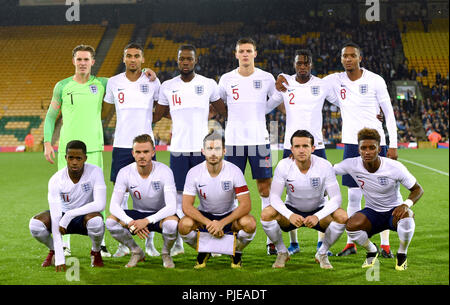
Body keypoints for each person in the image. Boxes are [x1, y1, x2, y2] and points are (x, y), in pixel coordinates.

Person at [276, 42, 398, 258]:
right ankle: (351, 243)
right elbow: (303, 82)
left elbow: (388, 111)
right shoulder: (333, 80)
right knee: (352, 195)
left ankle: (386, 245)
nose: (348, 59)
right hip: (351, 143)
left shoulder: (375, 80)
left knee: (381, 193)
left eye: (352, 55)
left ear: (360, 58)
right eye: (345, 56)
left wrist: (394, 143)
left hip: (375, 142)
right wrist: (281, 76)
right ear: (341, 59)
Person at [153, 44, 227, 256]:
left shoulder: (208, 84)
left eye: (189, 59)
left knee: (207, 196)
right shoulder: (168, 86)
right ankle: (176, 241)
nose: (185, 62)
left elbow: (223, 110)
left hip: (202, 151)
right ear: (178, 61)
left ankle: (211, 239)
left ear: (195, 61)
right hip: (178, 150)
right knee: (177, 197)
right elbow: (159, 114)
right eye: (182, 59)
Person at [265, 49, 336, 256]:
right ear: (294, 65)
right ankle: (293, 243)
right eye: (299, 63)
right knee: (291, 191)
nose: (302, 66)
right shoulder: (285, 84)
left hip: (318, 145)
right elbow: (268, 105)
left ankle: (321, 244)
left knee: (321, 192)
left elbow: (343, 103)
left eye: (306, 63)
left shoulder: (321, 85)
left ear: (311, 64)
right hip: (291, 144)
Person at [42, 44, 111, 257]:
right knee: (65, 196)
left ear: (93, 62)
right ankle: (64, 241)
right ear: (74, 61)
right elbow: (52, 116)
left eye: (86, 59)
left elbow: (129, 81)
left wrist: (148, 74)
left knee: (97, 196)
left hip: (93, 149)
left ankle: (100, 244)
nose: (82, 63)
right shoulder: (62, 86)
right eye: (79, 59)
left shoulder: (103, 84)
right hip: (67, 150)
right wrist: (47, 142)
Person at [102, 43, 161, 258]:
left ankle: (150, 243)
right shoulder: (114, 82)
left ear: (142, 59)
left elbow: (162, 106)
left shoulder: (153, 81)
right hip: (121, 144)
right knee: (121, 195)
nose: (133, 59)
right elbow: (107, 107)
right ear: (124, 58)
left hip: (146, 144)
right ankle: (124, 243)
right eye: (129, 56)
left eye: (137, 56)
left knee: (150, 194)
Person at [334, 128, 423, 270]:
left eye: (371, 148)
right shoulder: (352, 164)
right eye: (363, 148)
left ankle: (402, 254)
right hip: (372, 213)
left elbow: (418, 189)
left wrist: (406, 204)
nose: (367, 152)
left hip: (394, 211)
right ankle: (372, 250)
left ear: (379, 149)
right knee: (351, 226)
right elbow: (329, 170)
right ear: (358, 150)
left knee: (408, 217)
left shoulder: (394, 167)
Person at [218, 38, 276, 255]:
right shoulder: (226, 79)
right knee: (230, 191)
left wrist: (263, 110)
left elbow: (277, 98)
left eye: (248, 51)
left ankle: (271, 240)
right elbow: (218, 101)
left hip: (260, 141)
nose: (244, 54)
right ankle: (226, 237)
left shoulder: (266, 78)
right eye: (241, 51)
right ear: (236, 54)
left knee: (265, 188)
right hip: (233, 142)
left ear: (255, 53)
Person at [261, 130, 347, 269]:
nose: (301, 150)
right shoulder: (283, 165)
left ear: (313, 148)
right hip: (292, 211)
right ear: (292, 149)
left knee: (342, 216)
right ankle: (282, 252)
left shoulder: (325, 165)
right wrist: (290, 214)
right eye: (297, 146)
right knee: (266, 214)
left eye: (305, 146)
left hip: (318, 211)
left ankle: (322, 253)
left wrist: (317, 216)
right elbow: (274, 197)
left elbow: (336, 198)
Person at [178, 131, 256, 269]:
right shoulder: (194, 172)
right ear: (203, 151)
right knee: (184, 225)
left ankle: (236, 251)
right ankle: (204, 249)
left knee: (249, 223)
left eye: (217, 149)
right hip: (205, 216)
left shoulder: (234, 171)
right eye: (209, 148)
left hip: (229, 217)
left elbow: (246, 205)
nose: (213, 153)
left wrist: (222, 223)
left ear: (224, 151)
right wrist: (209, 223)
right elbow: (186, 206)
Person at [29, 140, 106, 271]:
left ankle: (96, 251)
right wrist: (60, 257)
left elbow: (100, 204)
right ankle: (53, 250)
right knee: (35, 225)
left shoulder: (95, 172)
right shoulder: (56, 180)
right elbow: (55, 218)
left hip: (84, 217)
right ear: (66, 158)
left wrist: (70, 214)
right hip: (61, 220)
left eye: (78, 158)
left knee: (97, 222)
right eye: (71, 158)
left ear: (85, 158)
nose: (74, 162)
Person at [105, 134, 179, 269]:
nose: (142, 156)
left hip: (160, 215)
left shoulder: (164, 171)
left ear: (153, 153)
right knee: (110, 222)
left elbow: (172, 207)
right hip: (138, 214)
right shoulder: (124, 172)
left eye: (146, 152)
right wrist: (130, 222)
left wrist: (146, 221)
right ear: (133, 153)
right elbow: (114, 206)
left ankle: (165, 253)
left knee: (172, 225)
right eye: (138, 152)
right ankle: (136, 251)